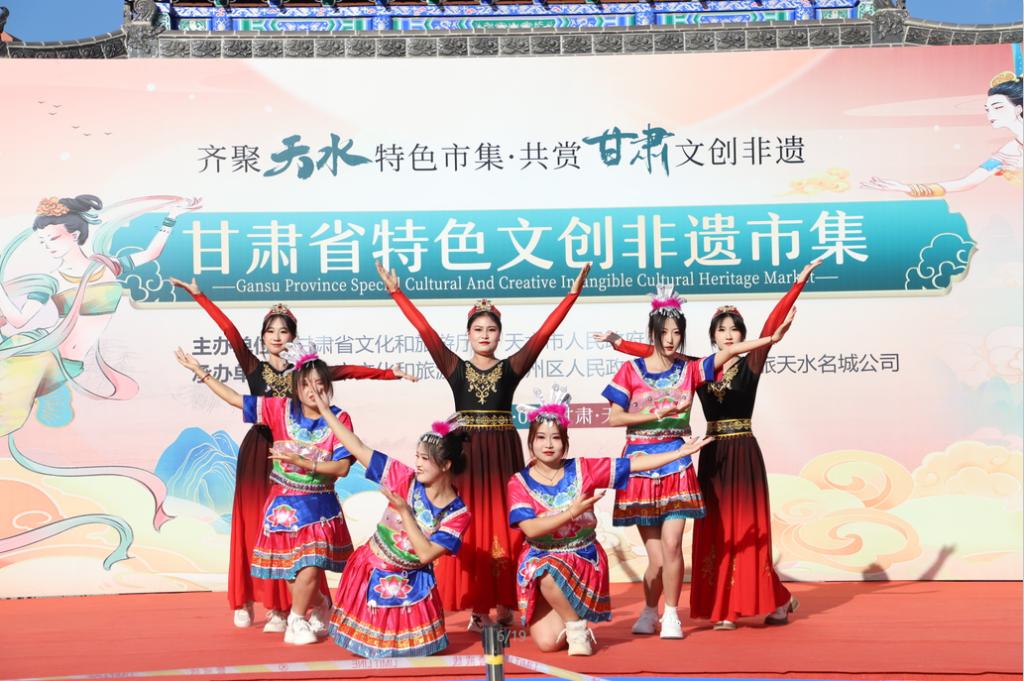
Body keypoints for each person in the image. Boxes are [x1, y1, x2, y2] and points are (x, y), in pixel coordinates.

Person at [169, 276, 415, 631]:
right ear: (263, 337)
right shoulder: (255, 368)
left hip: (305, 462)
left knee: (300, 533)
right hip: (261, 451)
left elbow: (349, 372)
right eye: (270, 331)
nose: (277, 336)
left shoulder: (305, 374)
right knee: (258, 527)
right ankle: (250, 601)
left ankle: (292, 608)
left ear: (293, 338)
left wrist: (391, 374)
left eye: (284, 331)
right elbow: (230, 333)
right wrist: (199, 296)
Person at [601, 260, 818, 630]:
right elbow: (659, 350)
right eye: (722, 329)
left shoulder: (751, 363)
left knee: (747, 531)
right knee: (715, 533)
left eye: (735, 329)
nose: (729, 335)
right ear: (713, 336)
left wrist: (797, 284)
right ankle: (725, 607)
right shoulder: (697, 367)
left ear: (743, 335)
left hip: (743, 453)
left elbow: (770, 328)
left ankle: (771, 600)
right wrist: (620, 344)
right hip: (711, 452)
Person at [376, 260, 590, 629]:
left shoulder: (511, 368)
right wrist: (397, 292)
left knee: (509, 524)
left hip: (503, 454)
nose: (485, 335)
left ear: (499, 335)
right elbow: (425, 331)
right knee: (470, 524)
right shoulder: (455, 369)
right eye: (478, 329)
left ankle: (506, 603)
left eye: (491, 329)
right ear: (469, 334)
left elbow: (543, 334)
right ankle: (478, 608)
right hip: (468, 456)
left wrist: (571, 296)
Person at [508, 385, 714, 656]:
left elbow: (633, 465)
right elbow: (531, 528)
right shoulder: (519, 482)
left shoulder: (583, 468)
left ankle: (577, 627)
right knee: (548, 644)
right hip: (543, 554)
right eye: (541, 438)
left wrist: (679, 454)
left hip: (580, 558)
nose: (548, 445)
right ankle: (571, 617)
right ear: (531, 442)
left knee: (543, 569)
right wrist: (571, 512)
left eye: (555, 438)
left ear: (565, 442)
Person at [175, 340, 353, 646]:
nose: (313, 390)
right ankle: (322, 603)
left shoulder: (339, 418)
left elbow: (342, 468)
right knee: (292, 570)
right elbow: (235, 399)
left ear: (328, 387)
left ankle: (296, 620)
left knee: (311, 564)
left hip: (319, 507)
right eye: (306, 384)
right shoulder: (279, 409)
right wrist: (201, 373)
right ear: (296, 387)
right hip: (284, 504)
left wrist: (303, 462)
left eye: (320, 384)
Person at [316, 408, 471, 657]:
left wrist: (405, 512)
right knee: (370, 655)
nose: (417, 463)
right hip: (371, 571)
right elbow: (357, 446)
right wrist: (325, 410)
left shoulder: (457, 514)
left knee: (412, 659)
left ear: (446, 465)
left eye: (425, 458)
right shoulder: (403, 478)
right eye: (417, 456)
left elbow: (426, 554)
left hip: (412, 585)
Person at [863, 72, 1022, 195]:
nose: (991, 114)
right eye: (987, 109)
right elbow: (967, 182)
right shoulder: (1008, 152)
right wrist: (906, 188)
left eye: (998, 107)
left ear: (1019, 108)